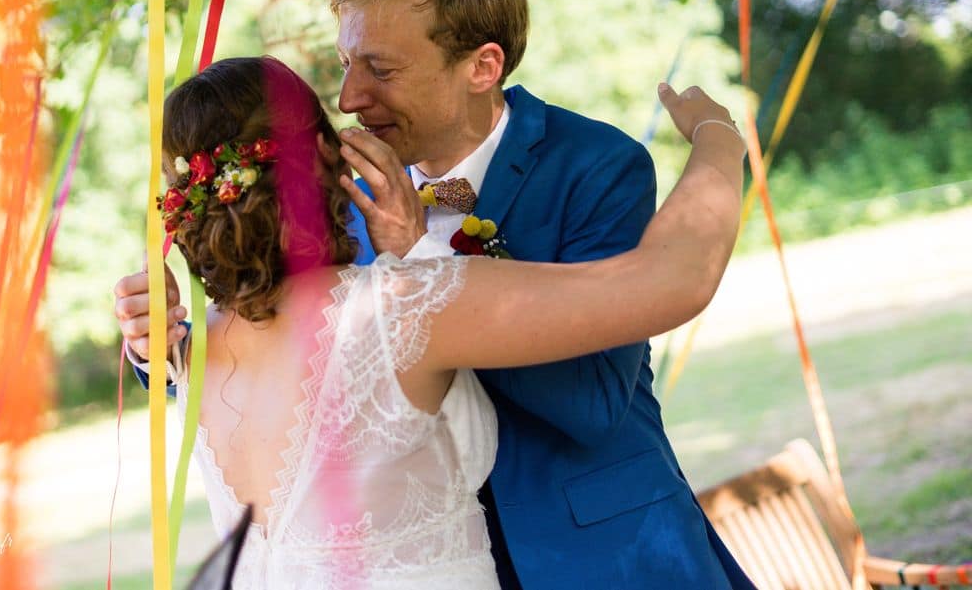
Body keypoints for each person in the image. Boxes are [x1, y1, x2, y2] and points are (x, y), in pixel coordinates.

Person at [116, 53, 746, 589]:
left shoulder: (200, 350)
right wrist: (719, 136)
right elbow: (675, 278)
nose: (352, 96)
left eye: (378, 66)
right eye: (342, 73)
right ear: (322, 154)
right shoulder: (399, 303)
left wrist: (156, 349)